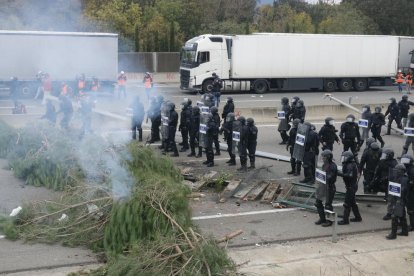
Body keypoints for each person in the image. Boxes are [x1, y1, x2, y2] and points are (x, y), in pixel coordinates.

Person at [337, 151, 363, 225]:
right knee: (352, 203)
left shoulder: (350, 165)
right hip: (351, 186)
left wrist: (339, 174)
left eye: (344, 158)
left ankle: (345, 220)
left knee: (347, 203)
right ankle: (358, 217)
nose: (343, 159)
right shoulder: (349, 164)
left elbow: (349, 175)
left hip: (351, 187)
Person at [314, 149, 337, 227]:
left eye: (324, 157)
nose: (323, 158)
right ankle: (322, 218)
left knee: (328, 205)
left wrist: (325, 177)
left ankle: (329, 221)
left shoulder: (333, 166)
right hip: (323, 186)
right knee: (318, 202)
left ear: (328, 157)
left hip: (330, 187)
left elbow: (331, 176)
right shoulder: (324, 165)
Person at [385, 164, 409, 239]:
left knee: (394, 216)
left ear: (400, 171)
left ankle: (393, 234)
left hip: (400, 200)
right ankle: (405, 231)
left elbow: (403, 190)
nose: (395, 172)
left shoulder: (404, 179)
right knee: (402, 215)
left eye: (397, 170)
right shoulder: (398, 177)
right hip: (397, 198)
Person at [400, 154, 414, 231]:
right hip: (408, 191)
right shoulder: (407, 169)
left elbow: (411, 183)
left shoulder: (411, 170)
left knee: (410, 209)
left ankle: (412, 226)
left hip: (411, 192)